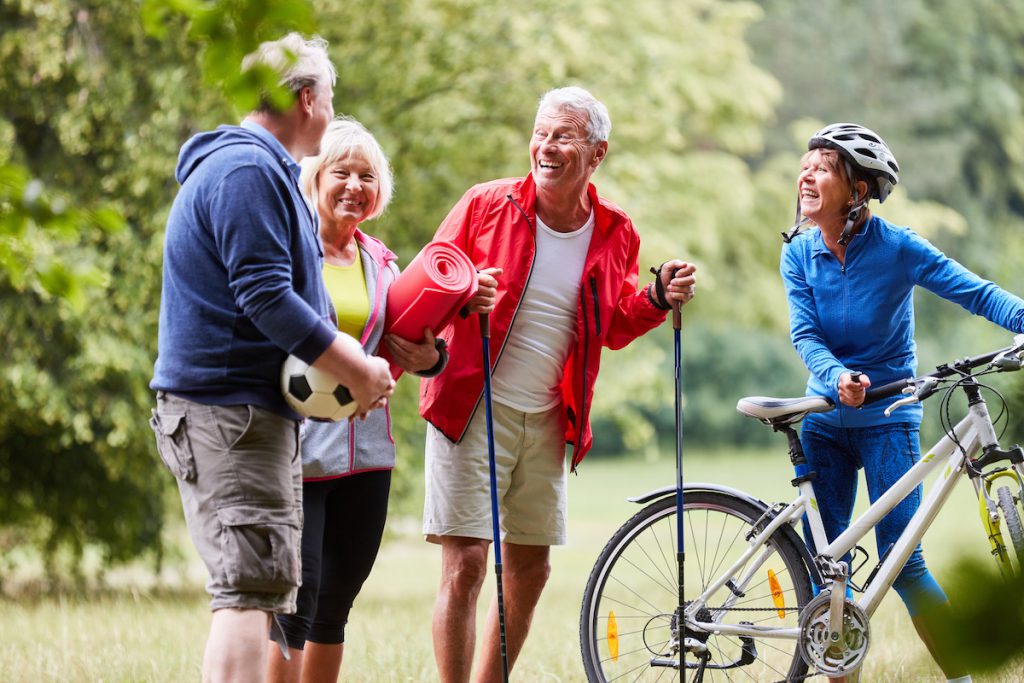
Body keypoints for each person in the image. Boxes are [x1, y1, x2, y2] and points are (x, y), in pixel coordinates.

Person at [419, 86, 698, 682]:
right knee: (466, 563)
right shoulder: (485, 204)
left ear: (596, 154)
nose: (545, 146)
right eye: (541, 132)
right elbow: (427, 283)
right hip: (472, 405)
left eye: (562, 136)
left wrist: (654, 297)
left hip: (550, 417)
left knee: (530, 570)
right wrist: (466, 296)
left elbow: (612, 324)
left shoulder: (616, 231)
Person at [149, 35, 394, 683]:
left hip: (253, 415)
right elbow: (264, 294)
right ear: (307, 98)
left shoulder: (264, 171)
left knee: (256, 589)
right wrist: (355, 365)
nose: (330, 110)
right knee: (246, 589)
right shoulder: (246, 172)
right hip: (230, 415)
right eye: (330, 99)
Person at [781, 122, 1024, 683]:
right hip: (823, 420)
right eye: (805, 163)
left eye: (822, 167)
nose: (806, 174)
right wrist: (835, 375)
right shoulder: (798, 255)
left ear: (857, 189)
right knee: (828, 571)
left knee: (905, 562)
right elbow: (805, 335)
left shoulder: (898, 247)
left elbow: (976, 291)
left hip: (888, 418)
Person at [265, 117, 450, 683]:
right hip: (299, 453)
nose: (353, 185)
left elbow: (418, 342)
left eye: (366, 176)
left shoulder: (384, 264)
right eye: (340, 171)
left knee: (336, 604)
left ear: (378, 192)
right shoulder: (288, 251)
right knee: (297, 600)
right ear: (315, 179)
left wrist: (434, 358)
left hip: (367, 456)